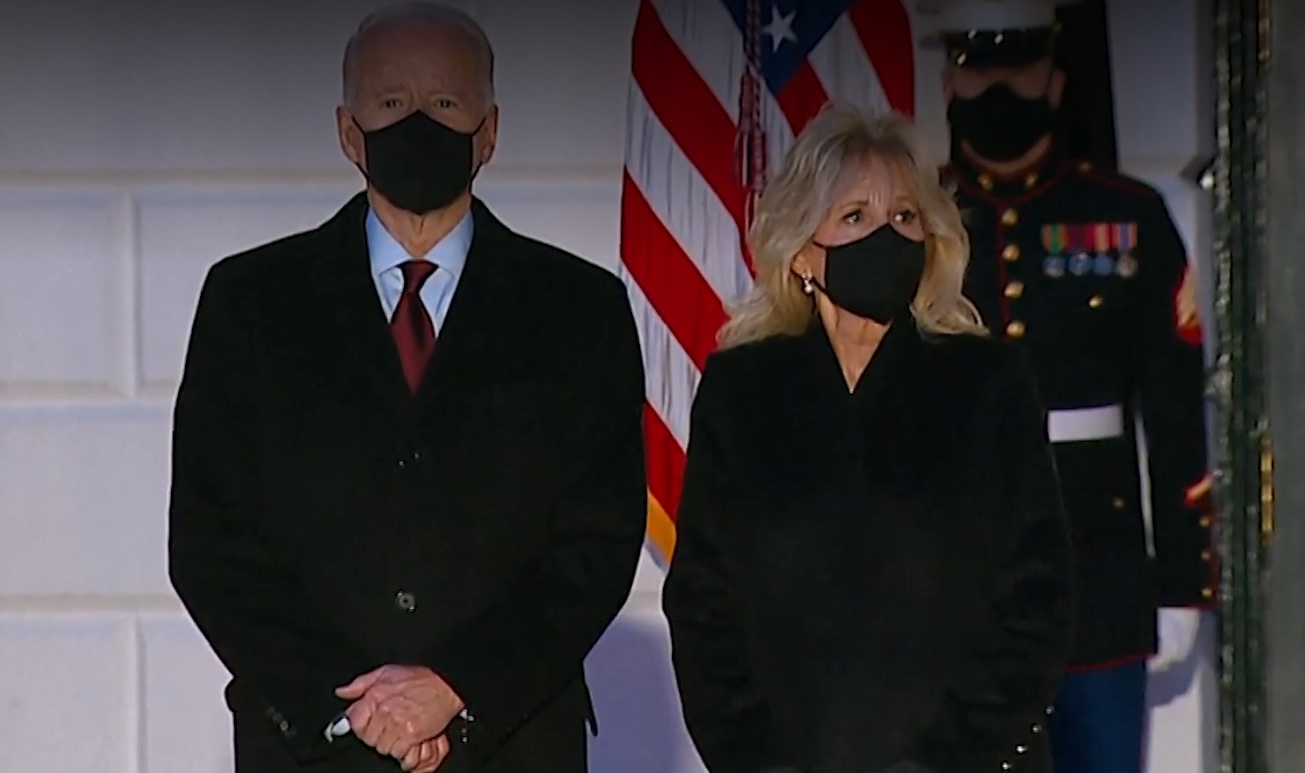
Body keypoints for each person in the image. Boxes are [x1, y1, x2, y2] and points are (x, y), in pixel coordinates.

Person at [166, 4, 647, 773]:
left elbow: (596, 543)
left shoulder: (580, 310)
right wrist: (350, 710)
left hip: (514, 743)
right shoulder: (250, 302)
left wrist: (458, 687)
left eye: (445, 103)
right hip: (309, 748)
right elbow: (211, 544)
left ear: (488, 132)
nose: (418, 122)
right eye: (391, 103)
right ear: (348, 132)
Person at [662, 103, 1075, 773]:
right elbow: (707, 609)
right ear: (801, 252)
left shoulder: (986, 383)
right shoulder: (744, 391)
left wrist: (941, 761)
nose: (886, 235)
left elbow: (1036, 601)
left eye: (904, 218)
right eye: (855, 216)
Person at [923, 1, 1218, 771]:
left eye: (1016, 68)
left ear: (1055, 81)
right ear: (950, 81)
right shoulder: (917, 223)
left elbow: (1176, 408)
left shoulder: (1128, 217)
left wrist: (1184, 578)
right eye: (977, 67)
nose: (997, 90)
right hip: (955, 589)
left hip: (1101, 584)